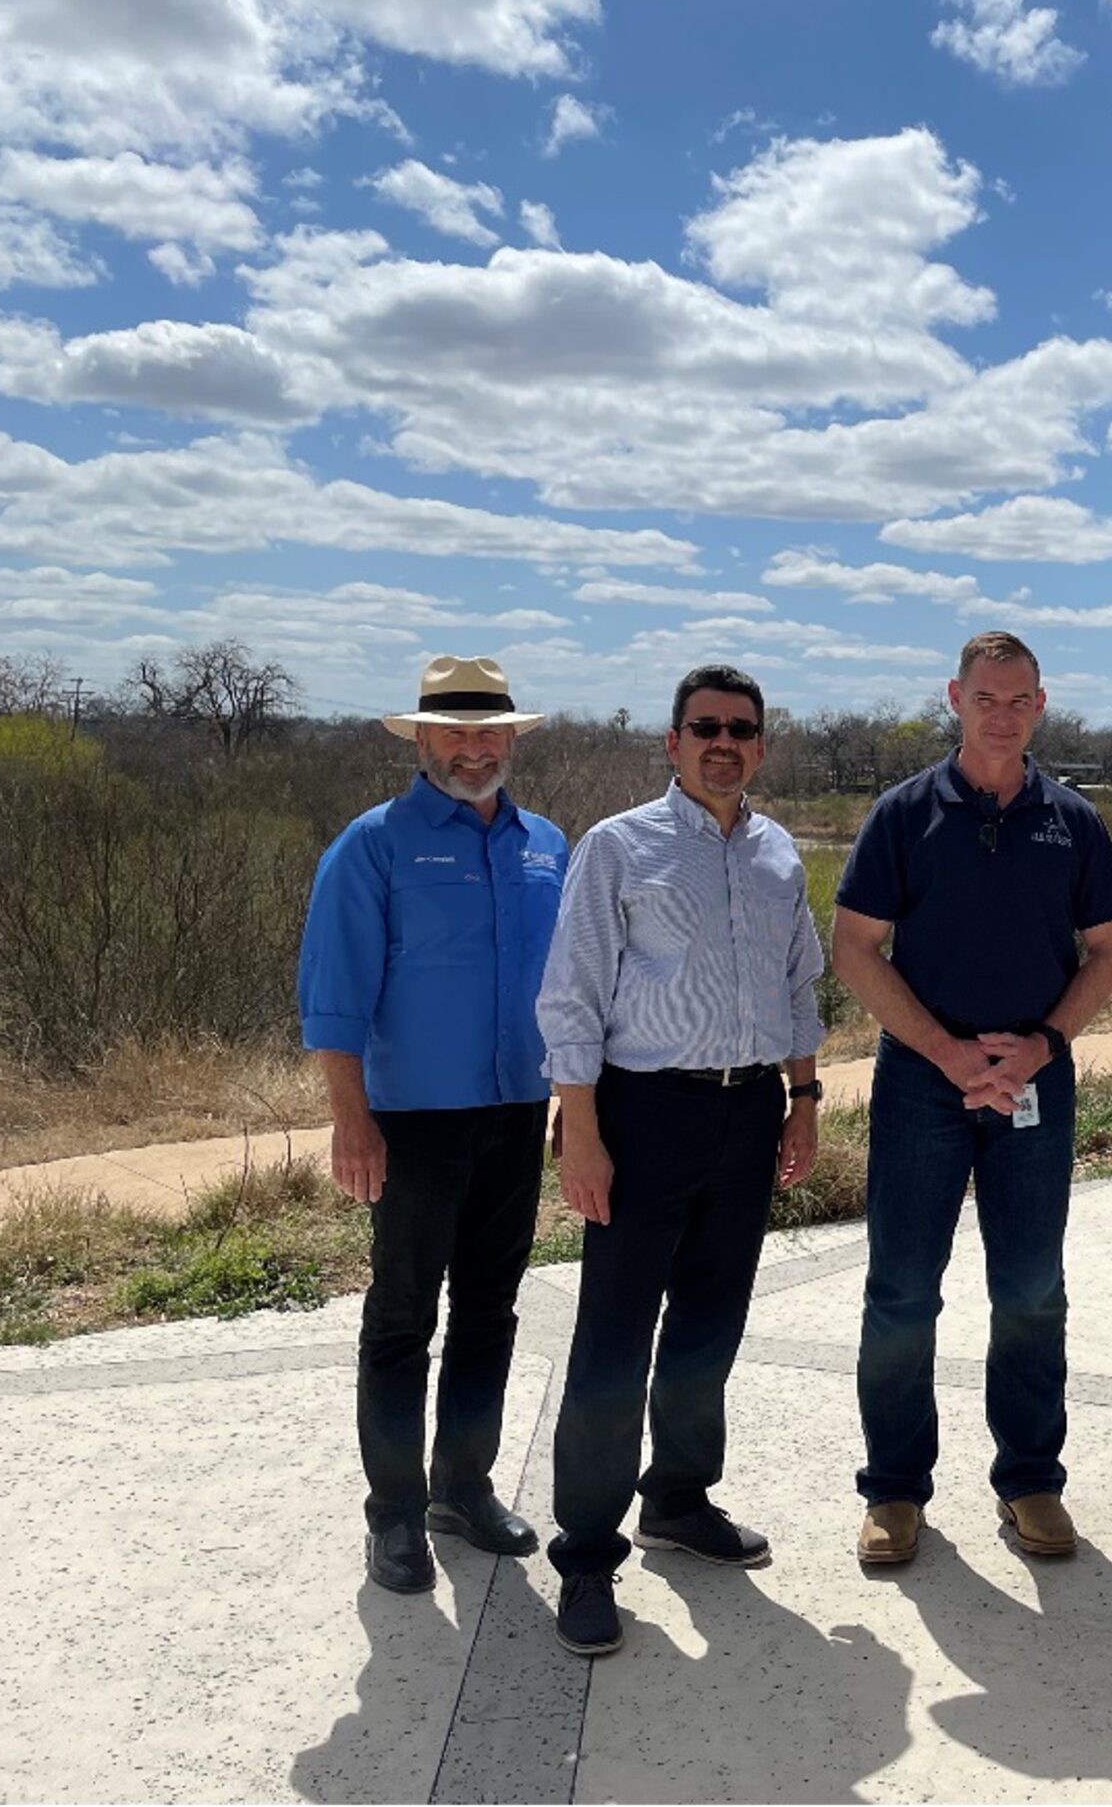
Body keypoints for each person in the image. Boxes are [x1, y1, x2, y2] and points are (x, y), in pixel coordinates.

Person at [534, 664, 824, 1657]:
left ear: (760, 744)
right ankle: (584, 1551)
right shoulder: (618, 847)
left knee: (710, 1324)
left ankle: (680, 1496)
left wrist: (806, 1095)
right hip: (642, 1112)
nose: (723, 742)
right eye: (704, 726)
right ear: (672, 740)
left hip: (749, 1116)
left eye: (741, 729)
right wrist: (581, 1126)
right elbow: (569, 994)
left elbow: (800, 984)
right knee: (613, 1339)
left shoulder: (779, 850)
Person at [831, 632, 1112, 1566]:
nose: (1002, 713)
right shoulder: (903, 813)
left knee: (1032, 1289)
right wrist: (948, 1052)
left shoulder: (1073, 820)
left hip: (1035, 1081)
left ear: (1040, 705)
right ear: (955, 697)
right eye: (985, 697)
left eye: (1019, 699)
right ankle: (894, 1489)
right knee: (902, 1291)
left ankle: (1032, 1479)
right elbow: (854, 948)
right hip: (925, 1080)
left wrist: (1041, 1045)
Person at [297, 655, 565, 1596]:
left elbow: (571, 992)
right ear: (419, 739)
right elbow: (333, 996)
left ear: (511, 739)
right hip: (411, 1122)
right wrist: (350, 1120)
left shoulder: (546, 846)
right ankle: (397, 1513)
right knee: (402, 1317)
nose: (473, 747)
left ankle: (463, 1485)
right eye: (454, 730)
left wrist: (576, 1100)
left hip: (518, 1108)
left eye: (489, 730)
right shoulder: (373, 846)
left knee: (491, 1310)